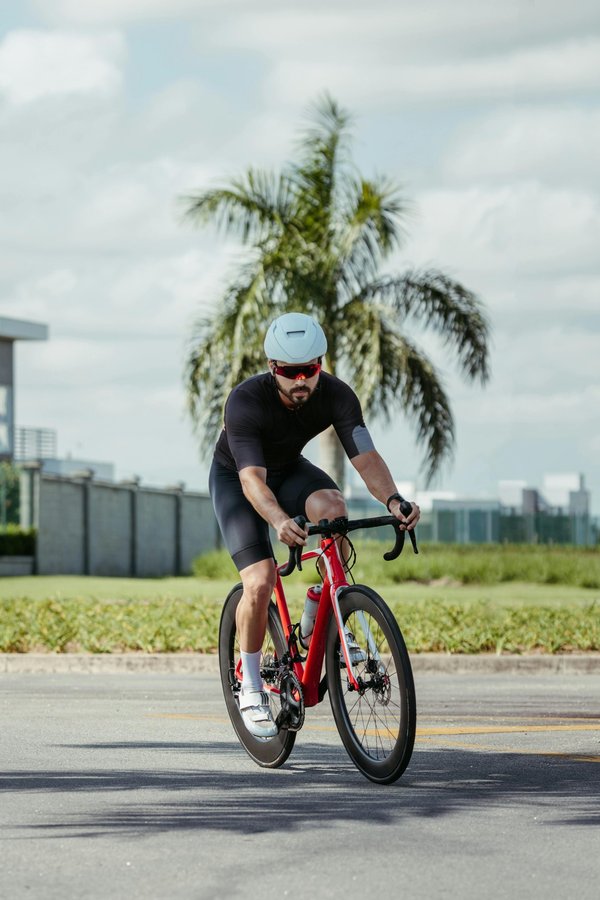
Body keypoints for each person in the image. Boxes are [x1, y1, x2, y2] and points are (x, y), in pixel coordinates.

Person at [209, 312, 420, 737]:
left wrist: (393, 499)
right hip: (239, 479)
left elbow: (366, 457)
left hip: (289, 471)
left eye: (310, 369)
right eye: (290, 372)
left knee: (333, 506)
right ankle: (250, 686)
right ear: (273, 369)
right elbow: (252, 480)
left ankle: (318, 622)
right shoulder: (246, 400)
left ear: (321, 364)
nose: (301, 380)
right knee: (260, 579)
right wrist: (279, 520)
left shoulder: (337, 396)